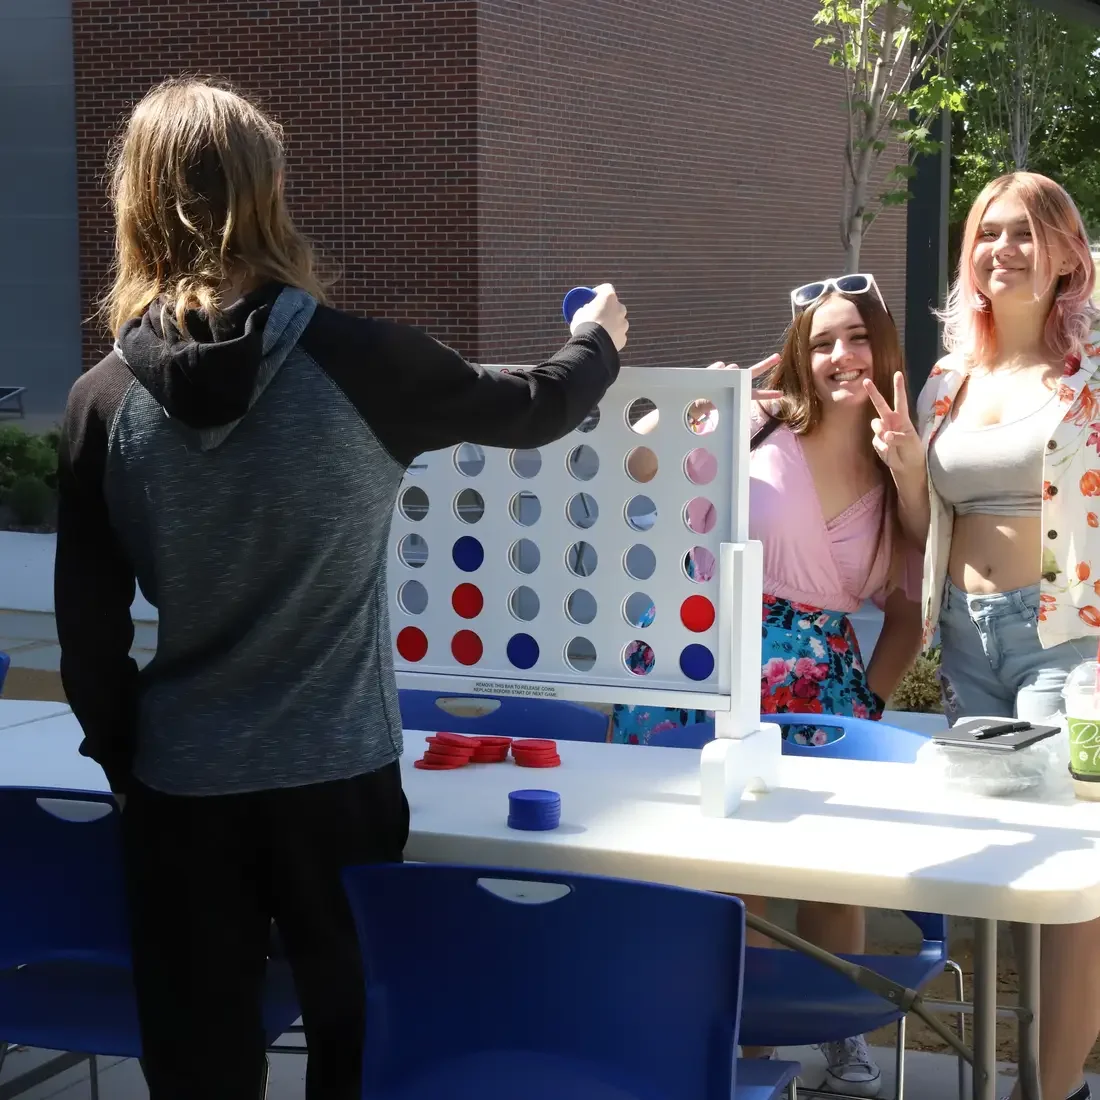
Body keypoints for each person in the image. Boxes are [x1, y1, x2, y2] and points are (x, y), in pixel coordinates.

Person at [54, 76, 627, 1100]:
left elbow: (89, 634)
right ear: (267, 193)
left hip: (183, 786)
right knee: (356, 1042)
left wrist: (126, 762)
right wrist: (598, 338)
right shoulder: (361, 361)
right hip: (336, 777)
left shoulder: (100, 402)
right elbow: (536, 408)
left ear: (135, 202)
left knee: (197, 1061)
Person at [611, 276, 923, 1096]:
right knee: (728, 877)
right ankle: (742, 1041)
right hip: (705, 662)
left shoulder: (905, 467)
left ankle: (835, 1031)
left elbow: (908, 615)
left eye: (855, 338)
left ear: (883, 346)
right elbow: (636, 462)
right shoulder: (759, 424)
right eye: (821, 341)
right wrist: (695, 410)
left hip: (821, 687)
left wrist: (869, 706)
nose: (839, 356)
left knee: (830, 871)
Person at [868, 171, 1100, 1100]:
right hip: (967, 642)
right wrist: (909, 468)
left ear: (1067, 256)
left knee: (1070, 888)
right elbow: (929, 527)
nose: (1002, 249)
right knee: (1008, 870)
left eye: (1025, 234)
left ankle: (1050, 1091)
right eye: (987, 233)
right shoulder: (946, 380)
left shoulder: (1090, 375)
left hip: (1069, 645)